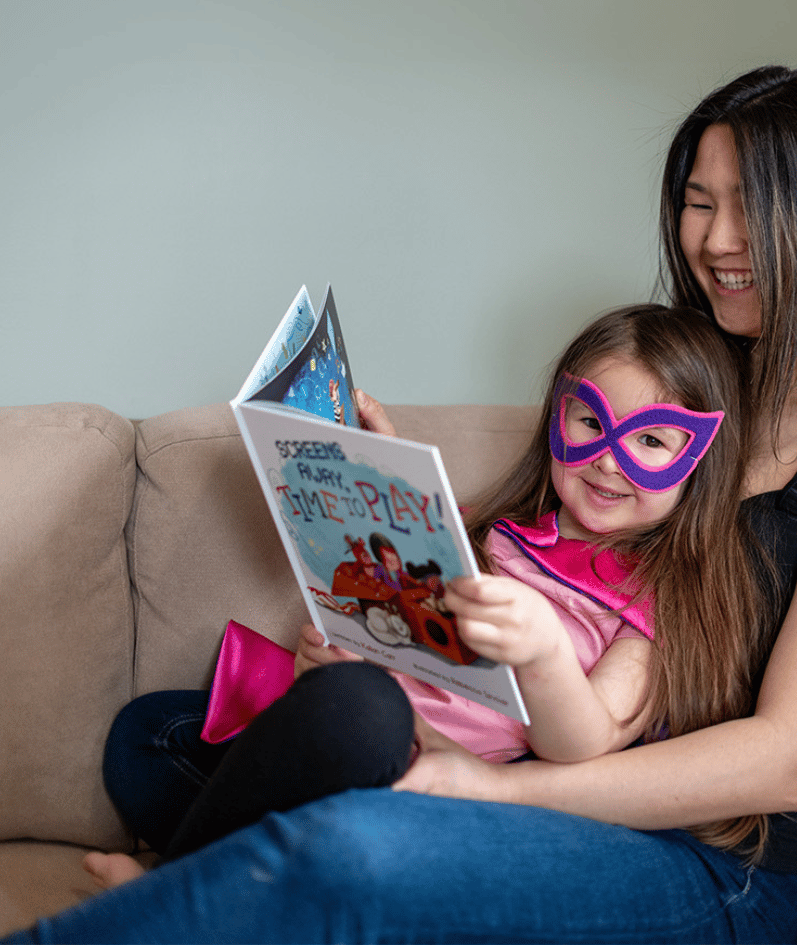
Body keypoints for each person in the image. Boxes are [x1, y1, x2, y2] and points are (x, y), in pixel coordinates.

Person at [4, 64, 797, 945]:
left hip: (722, 868)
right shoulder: (694, 384)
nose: (718, 241)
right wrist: (381, 494)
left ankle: (191, 889)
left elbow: (790, 762)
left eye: (751, 205)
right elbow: (529, 561)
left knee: (351, 845)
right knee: (163, 736)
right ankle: (263, 860)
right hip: (531, 755)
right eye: (698, 201)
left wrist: (501, 789)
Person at [84, 303, 749, 884]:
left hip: (433, 792)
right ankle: (266, 875)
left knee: (365, 711)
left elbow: (585, 746)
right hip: (340, 746)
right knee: (150, 735)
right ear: (558, 415)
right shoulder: (498, 536)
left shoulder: (653, 611)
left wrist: (543, 652)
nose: (608, 458)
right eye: (588, 422)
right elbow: (397, 601)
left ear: (703, 462)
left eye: (654, 441)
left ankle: (173, 893)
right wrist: (380, 482)